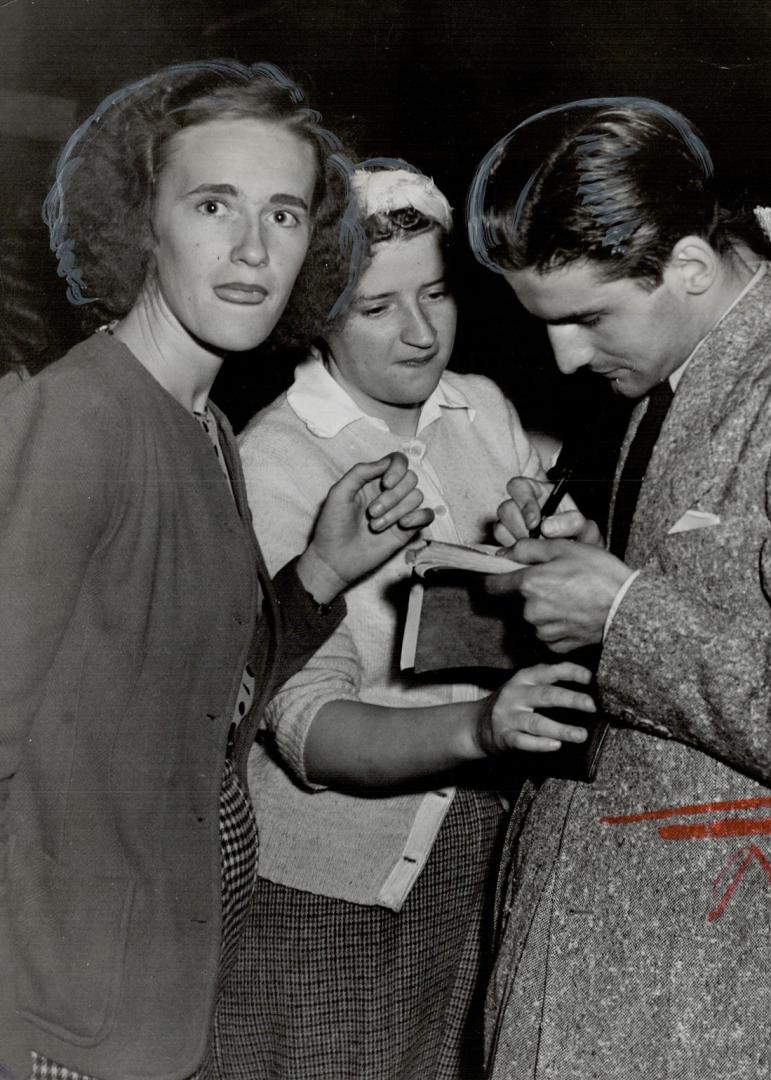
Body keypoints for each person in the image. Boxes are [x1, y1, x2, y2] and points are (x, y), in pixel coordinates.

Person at [466, 97, 771, 1079]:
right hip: (606, 981)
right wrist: (582, 559)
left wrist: (623, 615)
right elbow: (720, 608)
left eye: (588, 316)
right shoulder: (669, 384)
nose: (564, 355)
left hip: (709, 1010)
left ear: (688, 265)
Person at [0, 61, 434, 1080]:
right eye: (212, 205)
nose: (253, 250)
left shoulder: (205, 428)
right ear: (139, 221)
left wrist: (319, 572)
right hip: (59, 1030)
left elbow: (196, 701)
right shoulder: (76, 421)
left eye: (284, 214)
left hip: (158, 1005)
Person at [213, 161, 594, 1079]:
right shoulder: (278, 461)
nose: (420, 332)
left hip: (473, 860)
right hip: (325, 890)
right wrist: (481, 725)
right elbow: (303, 729)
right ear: (316, 317)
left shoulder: (483, 411)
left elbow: (523, 632)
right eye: (378, 308)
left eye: (434, 293)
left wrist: (558, 551)